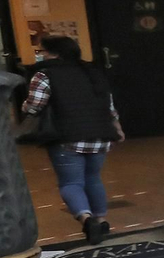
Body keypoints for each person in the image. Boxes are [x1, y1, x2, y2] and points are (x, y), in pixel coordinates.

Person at [20, 36, 123, 244]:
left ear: (55, 53)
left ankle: (86, 219)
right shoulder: (92, 71)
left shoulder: (44, 74)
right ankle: (101, 220)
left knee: (71, 183)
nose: (41, 54)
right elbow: (108, 104)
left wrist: (24, 107)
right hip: (100, 134)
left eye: (44, 51)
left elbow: (34, 106)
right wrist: (117, 127)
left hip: (66, 136)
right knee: (93, 178)